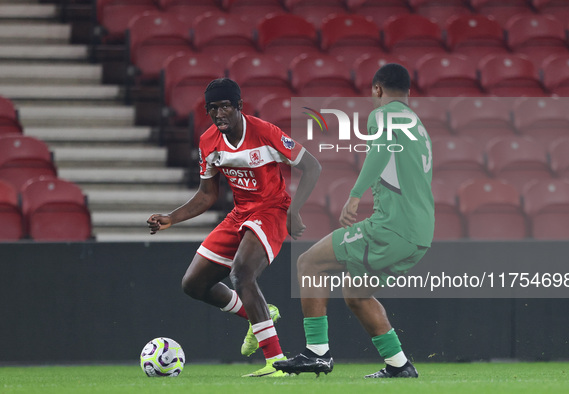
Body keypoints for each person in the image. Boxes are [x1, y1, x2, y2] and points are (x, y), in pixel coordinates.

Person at [147, 78, 321, 377]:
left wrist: (294, 211)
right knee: (193, 284)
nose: (218, 114)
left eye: (225, 106)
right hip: (240, 214)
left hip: (271, 210)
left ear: (239, 106)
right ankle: (259, 317)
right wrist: (172, 218)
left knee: (241, 273)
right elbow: (207, 194)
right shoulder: (208, 141)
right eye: (212, 108)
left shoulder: (265, 133)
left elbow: (313, 166)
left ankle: (275, 362)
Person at [273, 63, 434, 378]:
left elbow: (381, 151)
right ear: (409, 93)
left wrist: (356, 194)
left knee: (309, 263)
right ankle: (399, 366)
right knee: (355, 292)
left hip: (392, 228)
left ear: (377, 89)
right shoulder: (418, 124)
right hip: (420, 234)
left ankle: (317, 353)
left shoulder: (383, 115)